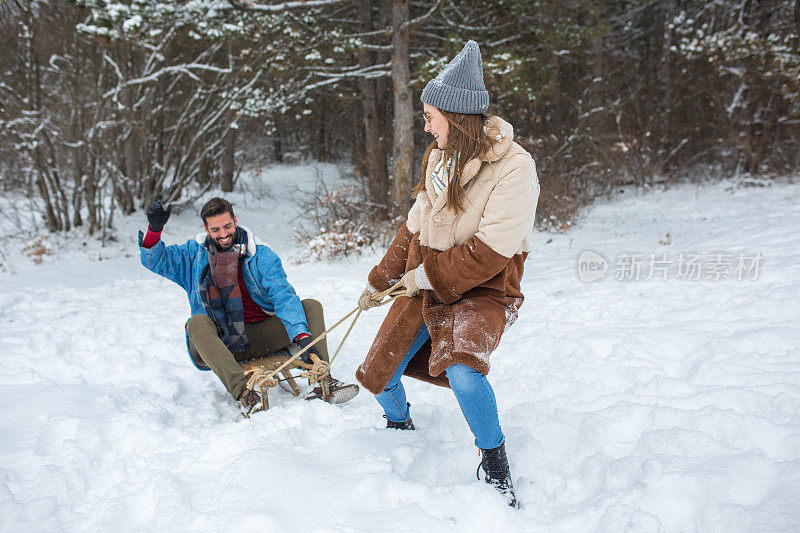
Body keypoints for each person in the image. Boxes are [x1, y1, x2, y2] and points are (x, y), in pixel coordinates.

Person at [355, 40, 538, 508]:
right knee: (378, 373)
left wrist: (422, 278)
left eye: (430, 115)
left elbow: (489, 254)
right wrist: (379, 281)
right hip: (427, 280)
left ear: (454, 118)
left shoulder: (514, 168)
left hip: (485, 288)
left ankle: (494, 460)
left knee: (463, 371)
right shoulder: (440, 159)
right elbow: (413, 226)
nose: (425, 124)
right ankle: (400, 430)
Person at [138, 196, 358, 415]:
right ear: (206, 229)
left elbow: (283, 295)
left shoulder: (260, 255)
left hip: (260, 337)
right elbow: (155, 261)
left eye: (227, 226)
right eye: (215, 230)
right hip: (220, 345)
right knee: (195, 323)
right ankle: (245, 394)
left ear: (235, 219)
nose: (223, 234)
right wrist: (154, 230)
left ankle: (322, 380)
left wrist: (301, 335)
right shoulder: (193, 255)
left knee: (310, 306)